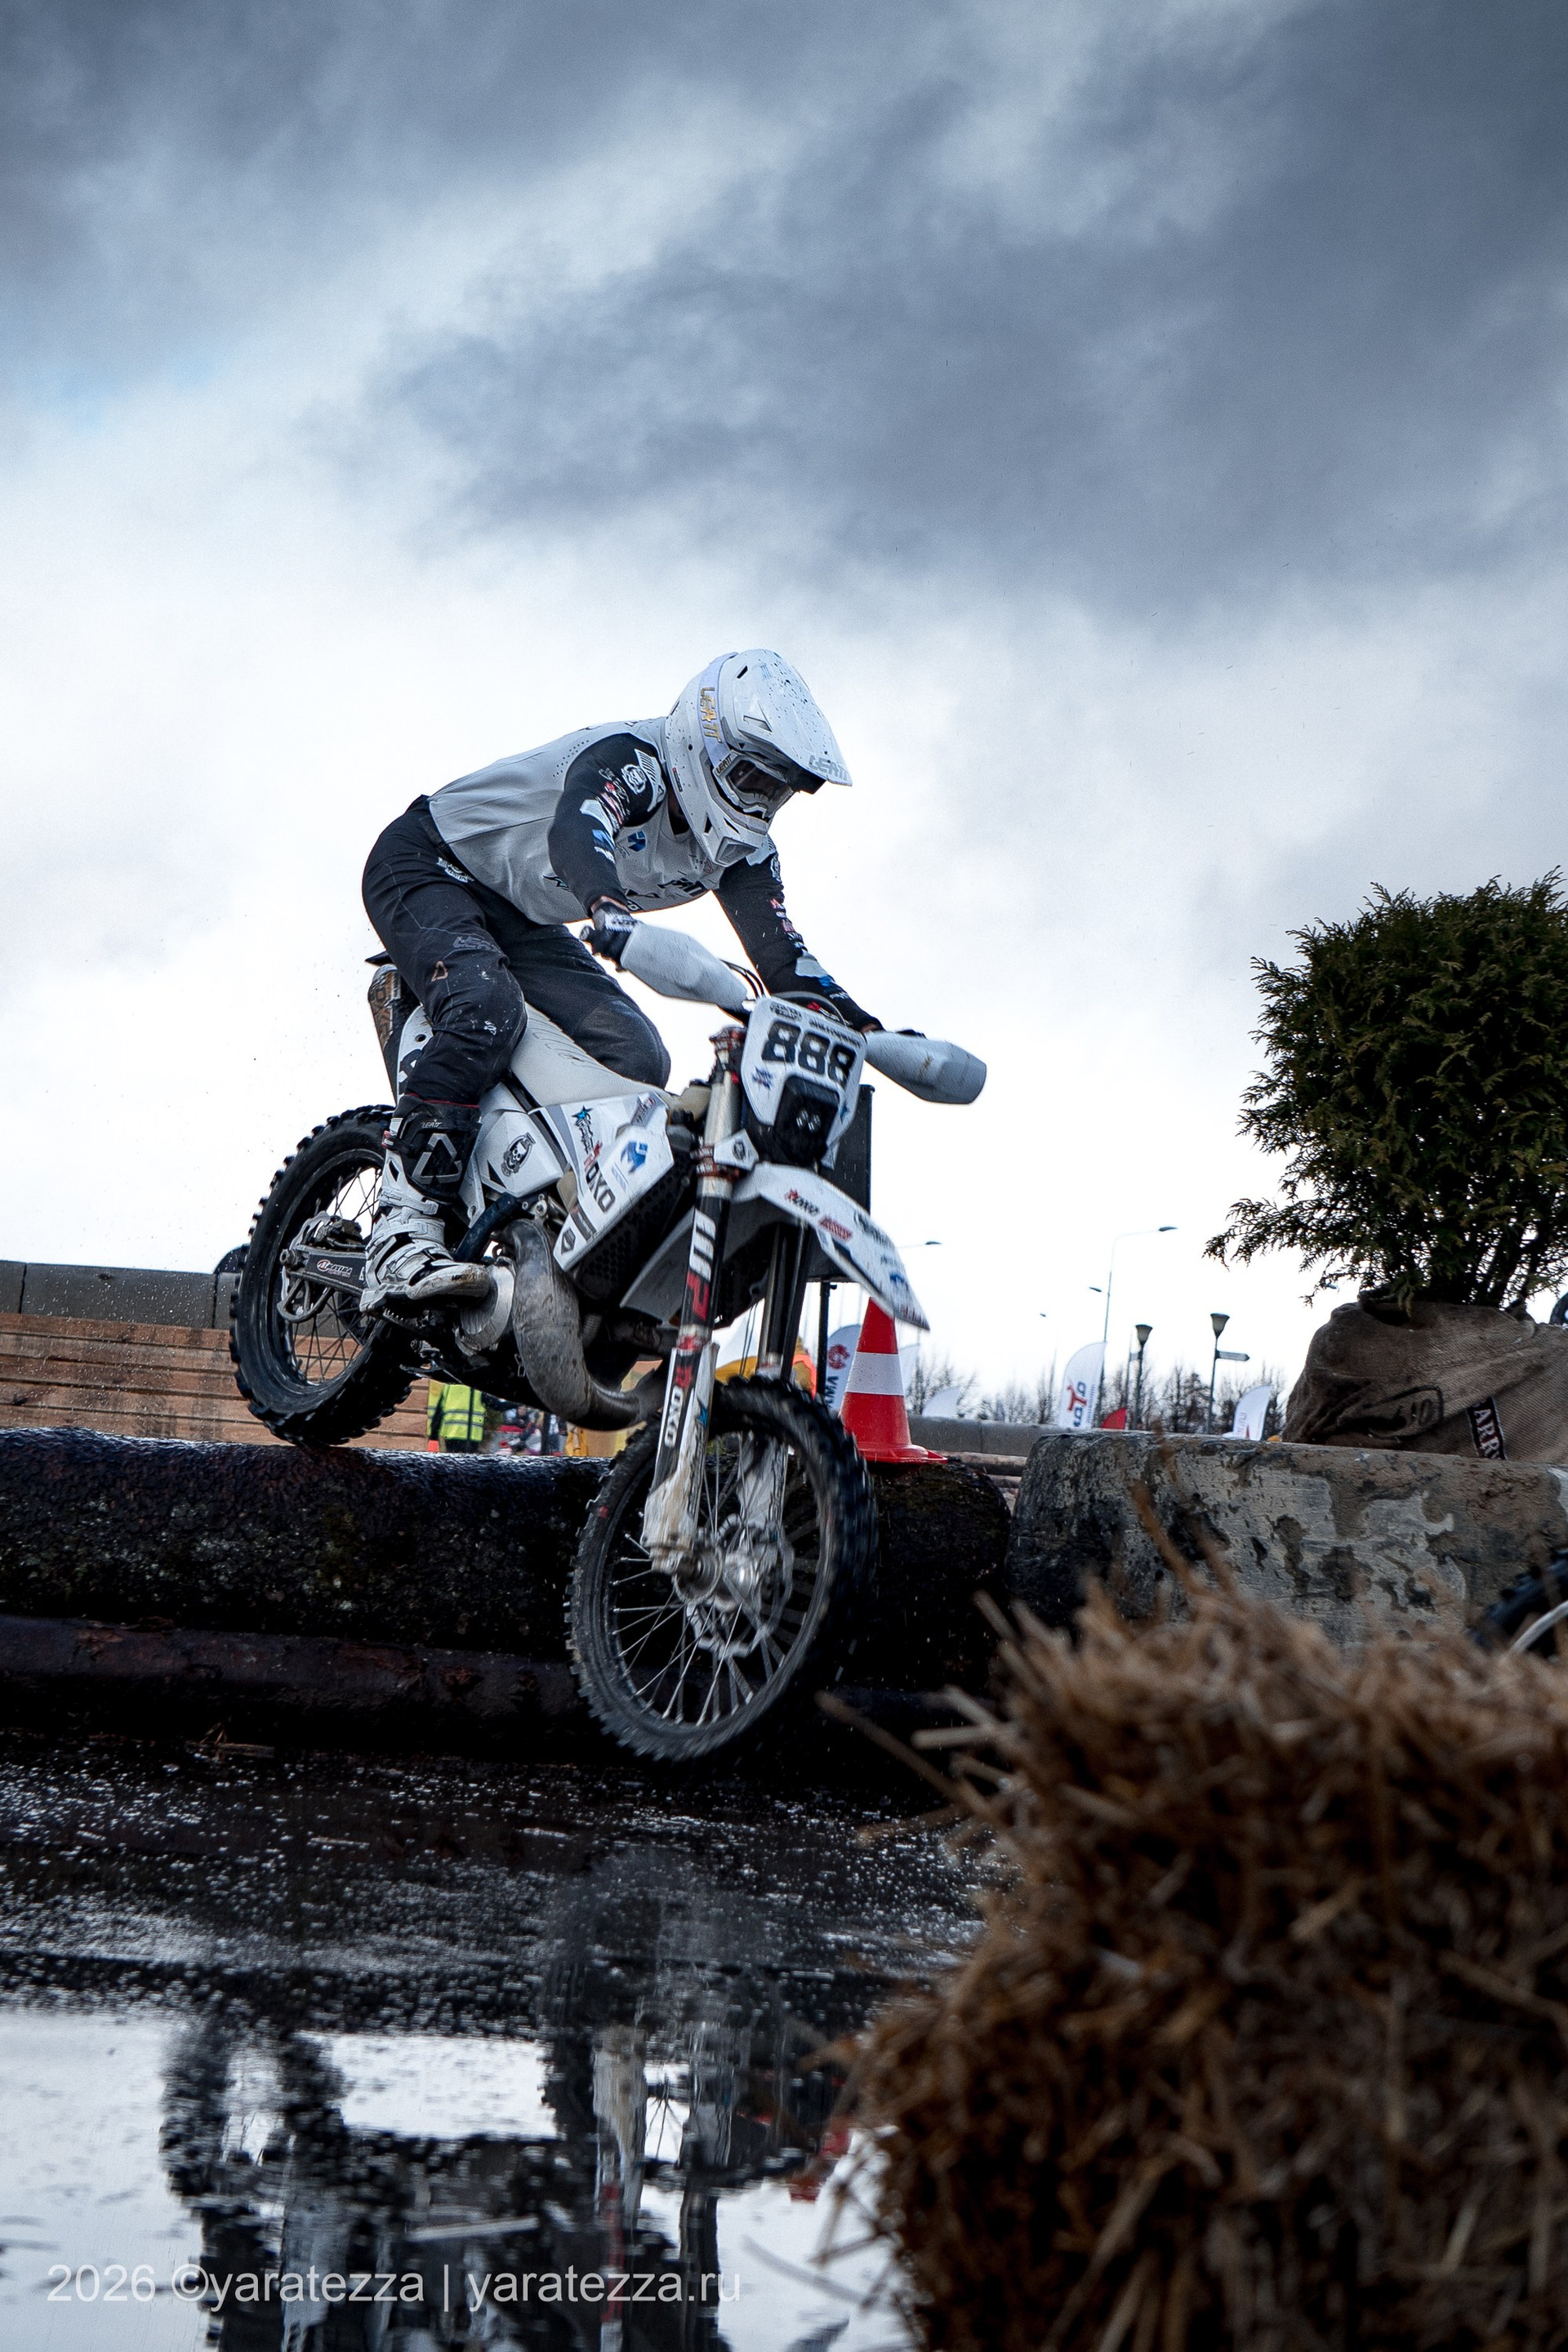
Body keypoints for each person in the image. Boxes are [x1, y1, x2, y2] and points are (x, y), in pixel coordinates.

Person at [359, 648, 881, 1308]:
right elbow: (579, 829)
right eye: (749, 777)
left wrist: (864, 1029)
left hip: (518, 916)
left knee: (638, 1056)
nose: (757, 802)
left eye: (773, 791)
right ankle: (402, 1225)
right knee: (485, 1009)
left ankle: (545, 1207)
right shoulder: (633, 762)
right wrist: (606, 907)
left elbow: (784, 960)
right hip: (427, 862)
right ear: (704, 740)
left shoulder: (744, 852)